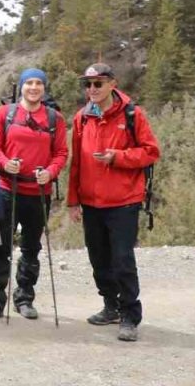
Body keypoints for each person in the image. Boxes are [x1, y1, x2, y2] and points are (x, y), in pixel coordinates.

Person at [68, 63, 160, 342]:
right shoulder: (81, 118)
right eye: (88, 84)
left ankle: (130, 315)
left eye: (98, 83)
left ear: (112, 84)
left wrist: (117, 157)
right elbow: (77, 164)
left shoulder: (132, 114)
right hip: (92, 202)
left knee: (122, 260)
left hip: (124, 201)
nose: (92, 89)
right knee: (99, 259)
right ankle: (110, 307)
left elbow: (151, 152)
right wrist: (73, 201)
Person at [0, 68, 68, 321]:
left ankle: (24, 298)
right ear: (21, 86)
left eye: (38, 83)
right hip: (8, 189)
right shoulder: (4, 114)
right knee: (0, 247)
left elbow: (61, 153)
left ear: (44, 88)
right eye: (29, 82)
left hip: (39, 191)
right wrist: (5, 163)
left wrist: (49, 172)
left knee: (31, 247)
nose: (33, 87)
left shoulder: (54, 119)